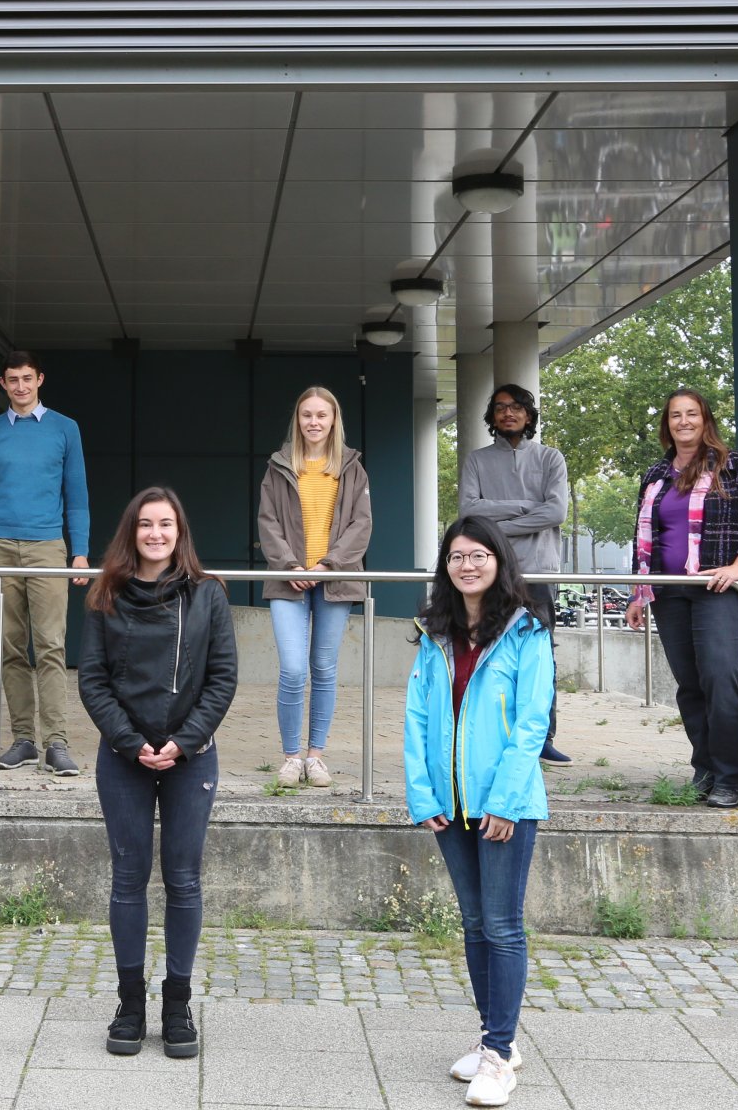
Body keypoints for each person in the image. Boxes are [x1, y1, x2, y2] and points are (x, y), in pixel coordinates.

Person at [80, 487, 237, 1061]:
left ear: (179, 531)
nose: (155, 533)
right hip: (123, 757)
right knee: (127, 879)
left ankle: (177, 1004)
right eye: (145, 524)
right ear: (132, 531)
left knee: (183, 879)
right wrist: (130, 742)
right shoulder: (105, 593)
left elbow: (223, 679)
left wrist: (182, 742)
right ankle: (130, 1004)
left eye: (165, 524)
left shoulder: (208, 595)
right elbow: (92, 680)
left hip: (190, 756)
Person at [405, 515, 554, 1109]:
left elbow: (531, 723)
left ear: (499, 561)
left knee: (502, 926)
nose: (467, 566)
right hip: (448, 802)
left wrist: (507, 801)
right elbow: (416, 718)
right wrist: (422, 794)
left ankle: (499, 1054)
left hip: (504, 805)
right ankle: (497, 1039)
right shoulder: (433, 631)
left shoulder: (527, 630)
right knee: (472, 925)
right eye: (457, 557)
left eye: (478, 555)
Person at [626, 388, 738, 809]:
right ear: (667, 424)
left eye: (691, 414)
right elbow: (645, 539)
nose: (684, 421)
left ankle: (732, 777)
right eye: (675, 415)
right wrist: (639, 594)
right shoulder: (655, 474)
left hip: (717, 591)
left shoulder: (734, 466)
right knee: (690, 686)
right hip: (669, 593)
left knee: (721, 680)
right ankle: (705, 770)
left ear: (705, 419)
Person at [0, 351, 92, 778]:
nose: (21, 387)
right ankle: (24, 740)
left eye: (27, 379)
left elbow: (77, 495)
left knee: (52, 646)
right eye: (12, 380)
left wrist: (80, 551)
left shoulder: (65, 429)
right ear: (3, 383)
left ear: (40, 379)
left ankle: (56, 742)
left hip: (47, 547)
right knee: (10, 648)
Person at [256, 385, 373, 789]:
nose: (314, 422)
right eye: (307, 415)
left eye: (322, 415)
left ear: (334, 420)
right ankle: (290, 757)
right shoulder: (279, 465)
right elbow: (267, 521)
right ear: (298, 420)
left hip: (334, 579)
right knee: (292, 669)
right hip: (288, 578)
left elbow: (362, 525)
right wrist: (290, 563)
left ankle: (315, 757)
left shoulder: (352, 467)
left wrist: (327, 564)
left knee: (323, 669)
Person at [458, 384, 572, 764]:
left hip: (537, 571)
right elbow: (467, 513)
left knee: (540, 656)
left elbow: (555, 513)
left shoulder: (551, 458)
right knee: (487, 650)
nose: (508, 413)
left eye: (516, 407)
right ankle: (487, 733)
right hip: (490, 570)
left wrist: (493, 522)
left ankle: (541, 737)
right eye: (500, 407)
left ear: (529, 414)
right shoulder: (476, 460)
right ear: (491, 416)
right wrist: (526, 506)